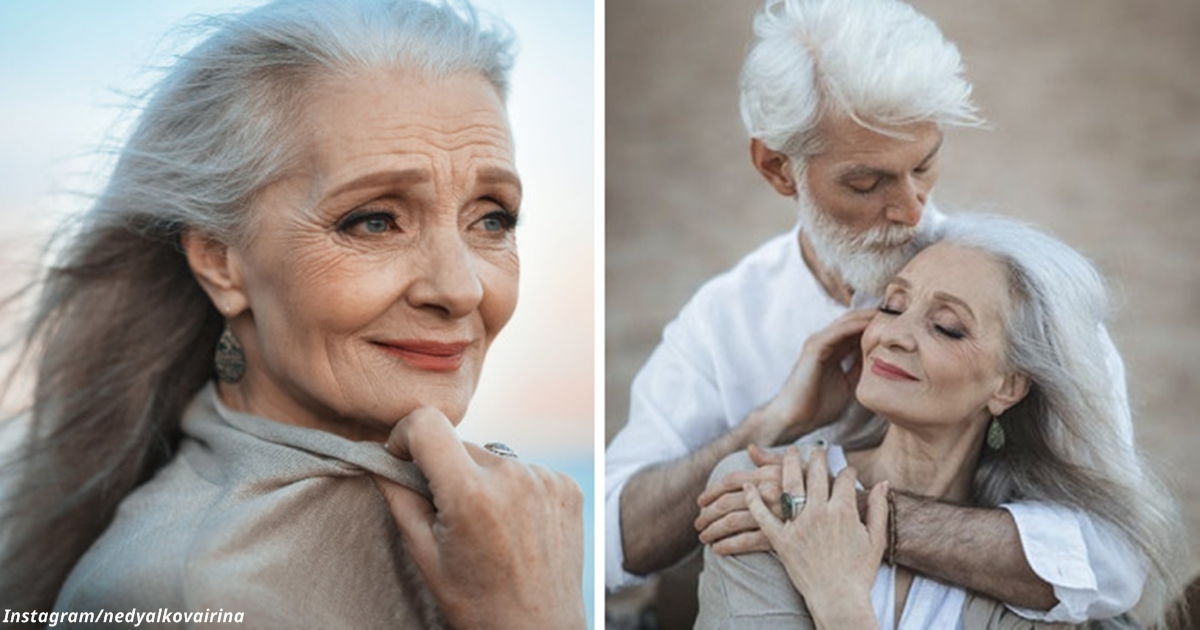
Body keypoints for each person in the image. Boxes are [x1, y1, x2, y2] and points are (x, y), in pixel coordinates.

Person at [0, 0, 585, 627]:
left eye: (491, 218)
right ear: (221, 262)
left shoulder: (502, 519)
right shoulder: (180, 597)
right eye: (375, 221)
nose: (462, 288)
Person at [605, 0, 1143, 622]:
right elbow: (617, 541)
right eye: (868, 184)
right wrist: (769, 426)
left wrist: (840, 513)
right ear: (778, 168)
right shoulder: (726, 320)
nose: (913, 208)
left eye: (925, 164)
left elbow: (1110, 560)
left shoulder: (1029, 306)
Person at [693, 213, 1187, 628]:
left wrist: (838, 601)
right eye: (893, 304)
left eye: (947, 328)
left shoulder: (1033, 565)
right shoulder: (766, 488)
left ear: (1009, 386)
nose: (895, 335)